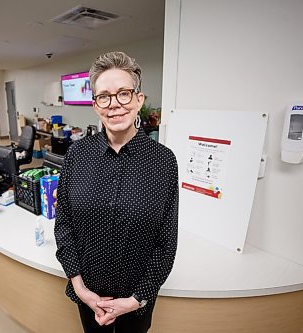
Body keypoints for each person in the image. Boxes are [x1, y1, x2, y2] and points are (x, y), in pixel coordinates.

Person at [54, 51, 179, 333]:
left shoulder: (163, 161)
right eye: (104, 96)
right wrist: (81, 288)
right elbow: (63, 225)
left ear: (139, 99)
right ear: (96, 105)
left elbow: (166, 242)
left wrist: (135, 300)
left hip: (137, 301)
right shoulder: (77, 155)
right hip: (88, 298)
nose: (115, 105)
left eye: (124, 93)